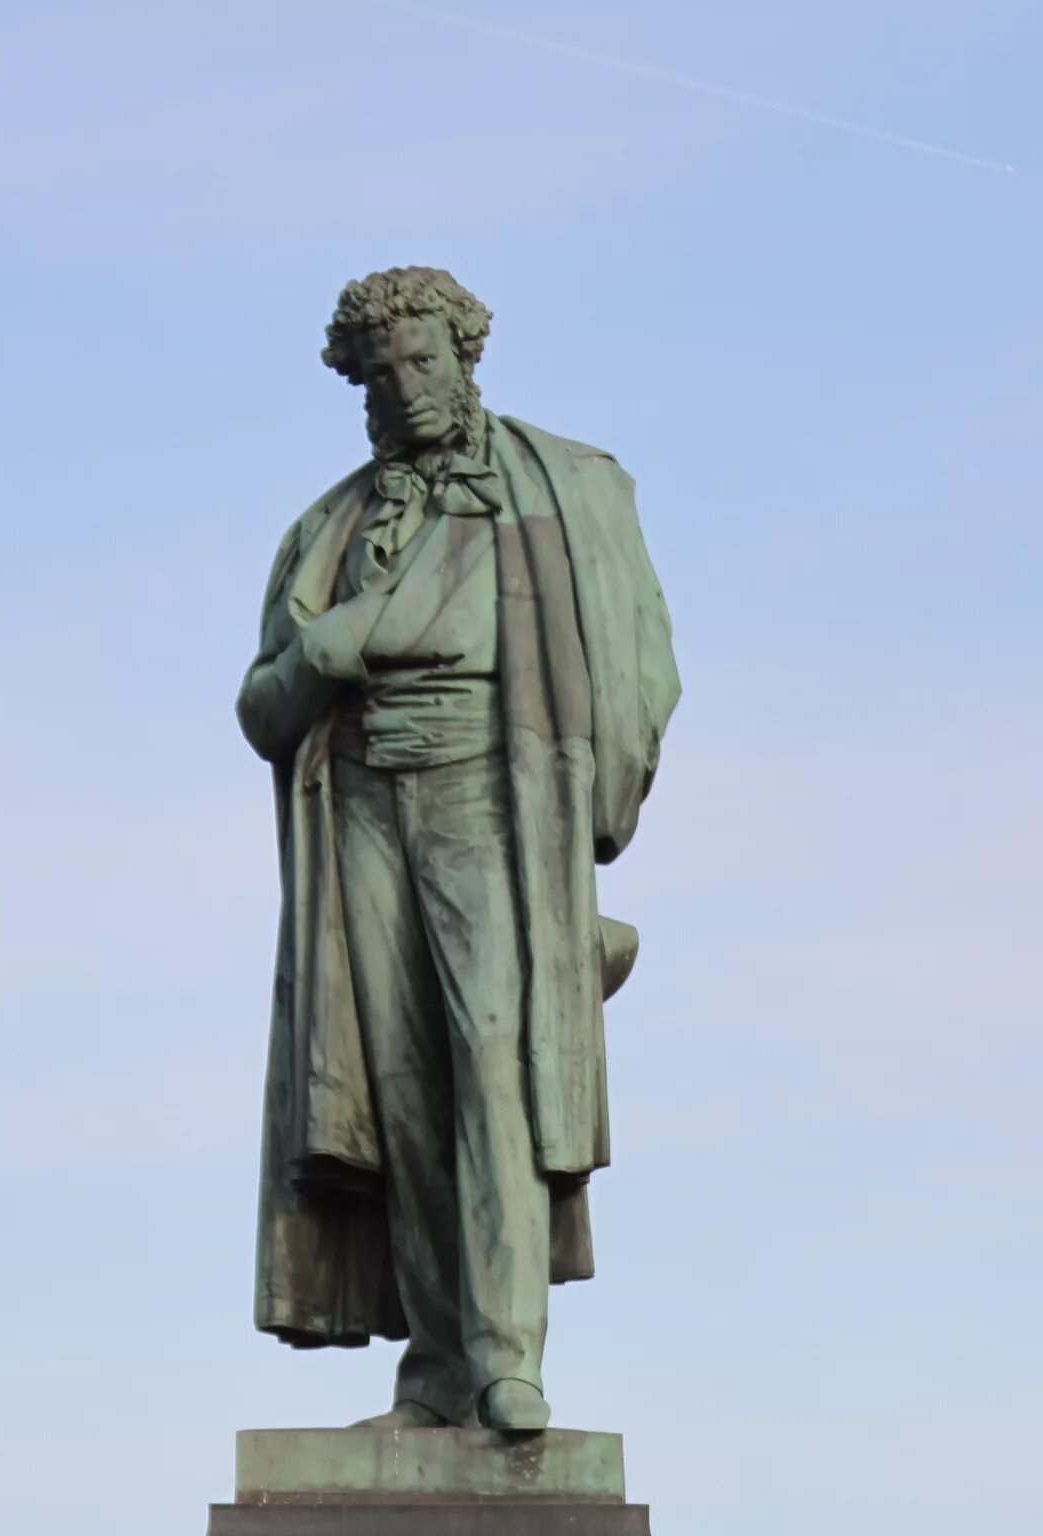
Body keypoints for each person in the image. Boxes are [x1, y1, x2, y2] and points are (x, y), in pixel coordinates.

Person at [238, 268, 679, 1437]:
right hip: (363, 806)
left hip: (495, 792)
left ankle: (502, 1359)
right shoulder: (325, 530)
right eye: (379, 372)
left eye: (423, 360)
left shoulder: (565, 487)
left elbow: (643, 665)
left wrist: (591, 822)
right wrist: (323, 655)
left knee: (495, 1067)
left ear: (464, 356)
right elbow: (258, 712)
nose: (404, 385)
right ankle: (437, 1367)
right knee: (399, 1094)